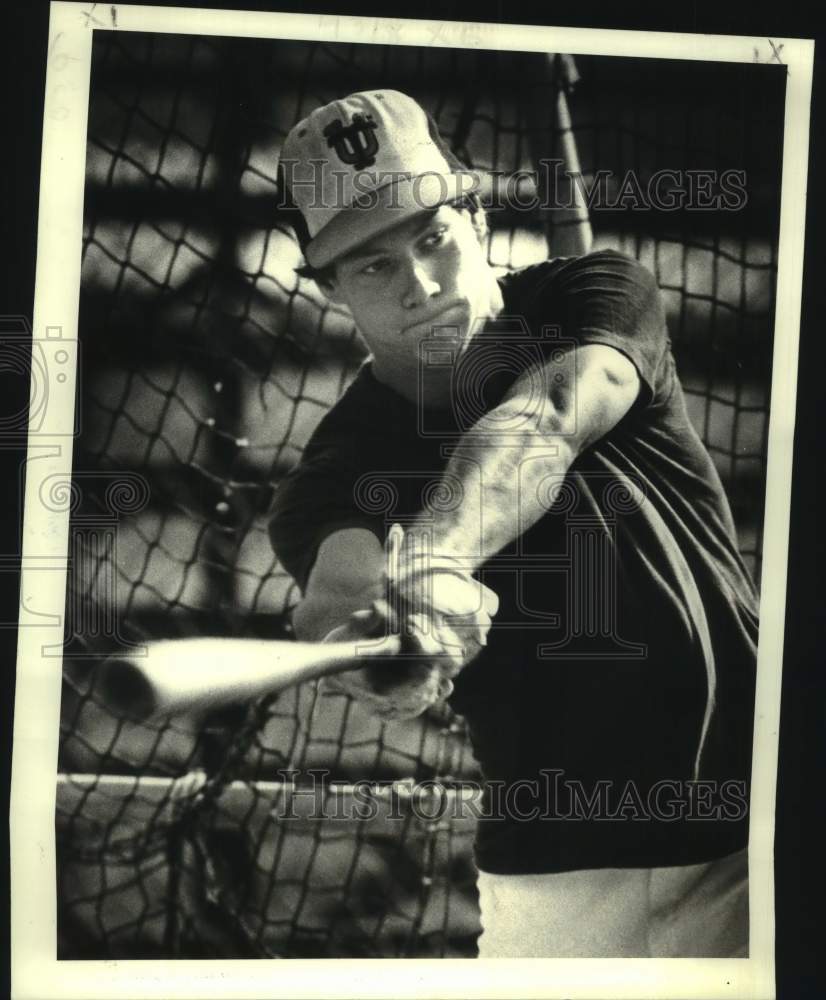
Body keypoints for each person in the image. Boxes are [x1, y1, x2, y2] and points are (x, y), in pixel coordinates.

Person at [269, 89, 758, 957]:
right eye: (374, 266)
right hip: (554, 879)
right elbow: (339, 585)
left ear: (477, 219)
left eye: (431, 238)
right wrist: (379, 637)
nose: (420, 285)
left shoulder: (596, 292)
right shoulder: (333, 471)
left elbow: (548, 417)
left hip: (756, 828)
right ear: (329, 286)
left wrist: (433, 559)